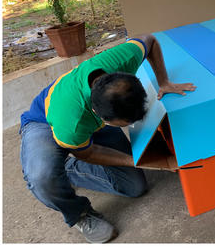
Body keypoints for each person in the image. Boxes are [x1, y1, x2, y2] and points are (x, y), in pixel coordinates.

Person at [19, 36, 196, 243]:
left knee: (134, 186)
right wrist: (138, 161)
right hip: (45, 122)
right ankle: (79, 213)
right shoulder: (73, 122)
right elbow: (90, 153)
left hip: (85, 123)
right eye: (123, 123)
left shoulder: (121, 61)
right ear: (101, 116)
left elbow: (151, 41)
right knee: (43, 178)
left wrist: (164, 82)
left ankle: (66, 167)